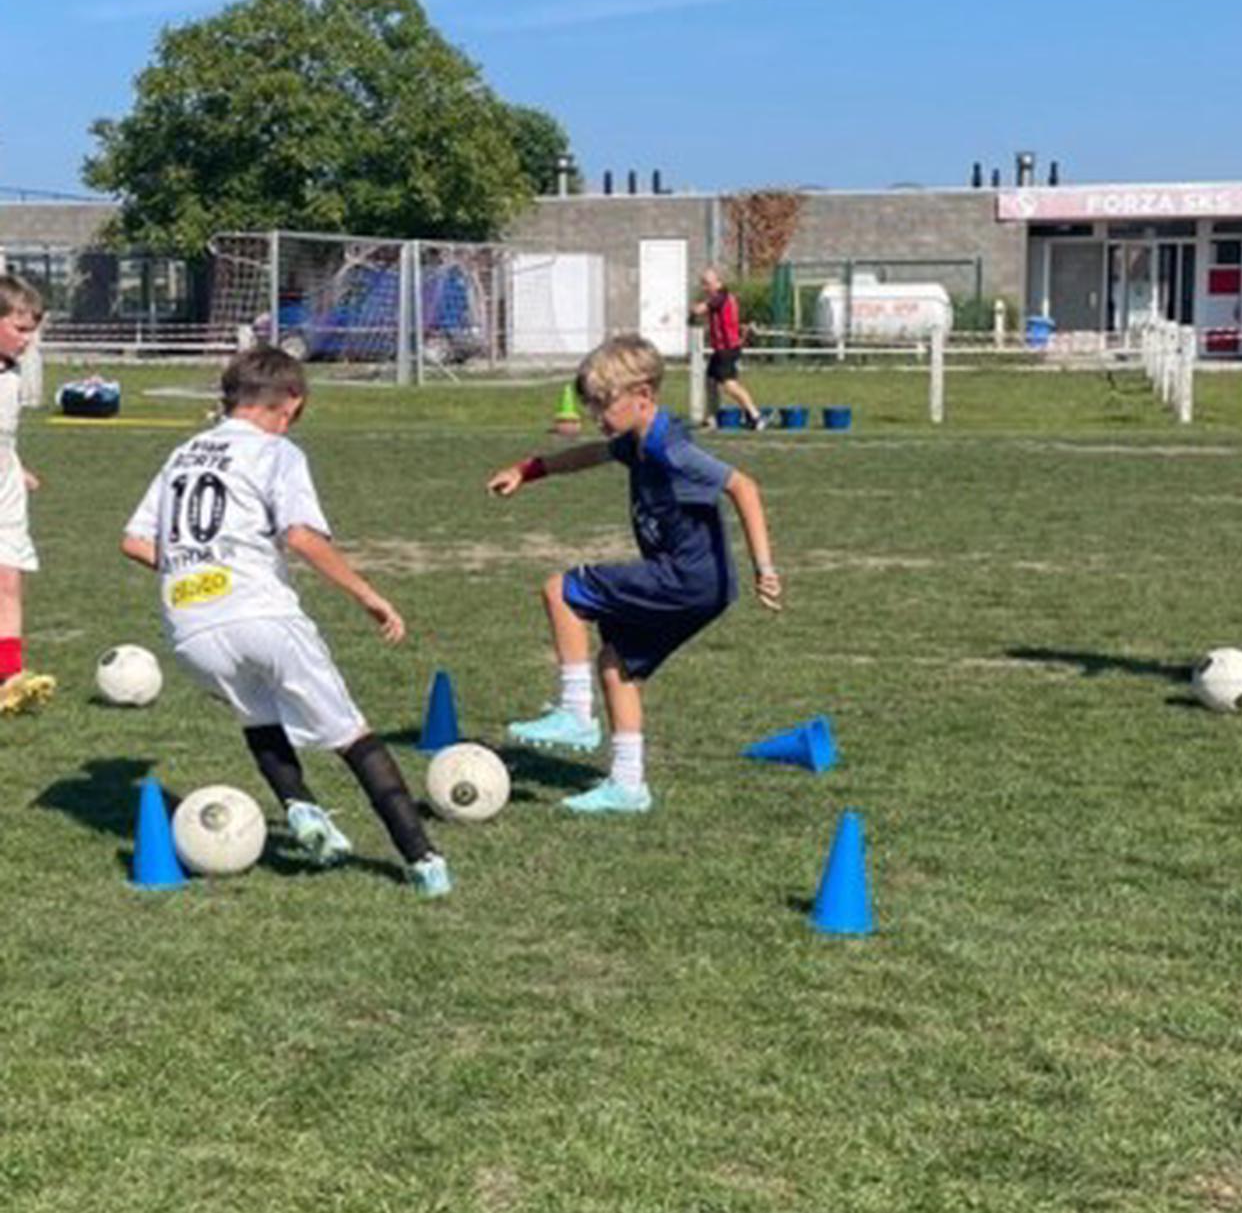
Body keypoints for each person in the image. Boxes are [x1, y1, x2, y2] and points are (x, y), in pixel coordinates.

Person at [121, 347, 451, 896]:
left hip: (191, 628)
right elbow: (300, 536)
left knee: (258, 718)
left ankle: (302, 810)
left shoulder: (181, 455)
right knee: (351, 734)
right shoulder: (277, 452)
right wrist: (369, 596)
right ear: (290, 403)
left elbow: (133, 541)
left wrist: (198, 566)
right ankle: (424, 861)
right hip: (259, 612)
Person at [487, 333, 781, 813]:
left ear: (642, 396)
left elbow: (743, 486)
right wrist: (530, 469)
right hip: (702, 587)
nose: (597, 418)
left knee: (561, 590)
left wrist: (764, 568)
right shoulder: (637, 441)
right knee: (616, 662)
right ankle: (627, 786)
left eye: (604, 405)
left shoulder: (670, 447)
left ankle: (576, 713)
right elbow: (589, 455)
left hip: (685, 578)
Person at [0, 274, 56, 716]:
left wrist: (17, 468)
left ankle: (9, 676)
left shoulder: (12, 374)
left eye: (31, 329)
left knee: (9, 578)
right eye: (20, 328)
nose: (28, 338)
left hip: (5, 489)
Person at [691, 267, 771, 431]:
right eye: (703, 284)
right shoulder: (717, 298)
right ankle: (711, 419)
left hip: (727, 349)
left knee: (729, 385)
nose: (705, 287)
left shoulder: (721, 296)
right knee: (711, 381)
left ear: (718, 282)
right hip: (720, 349)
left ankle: (756, 416)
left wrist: (693, 310)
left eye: (707, 283)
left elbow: (703, 308)